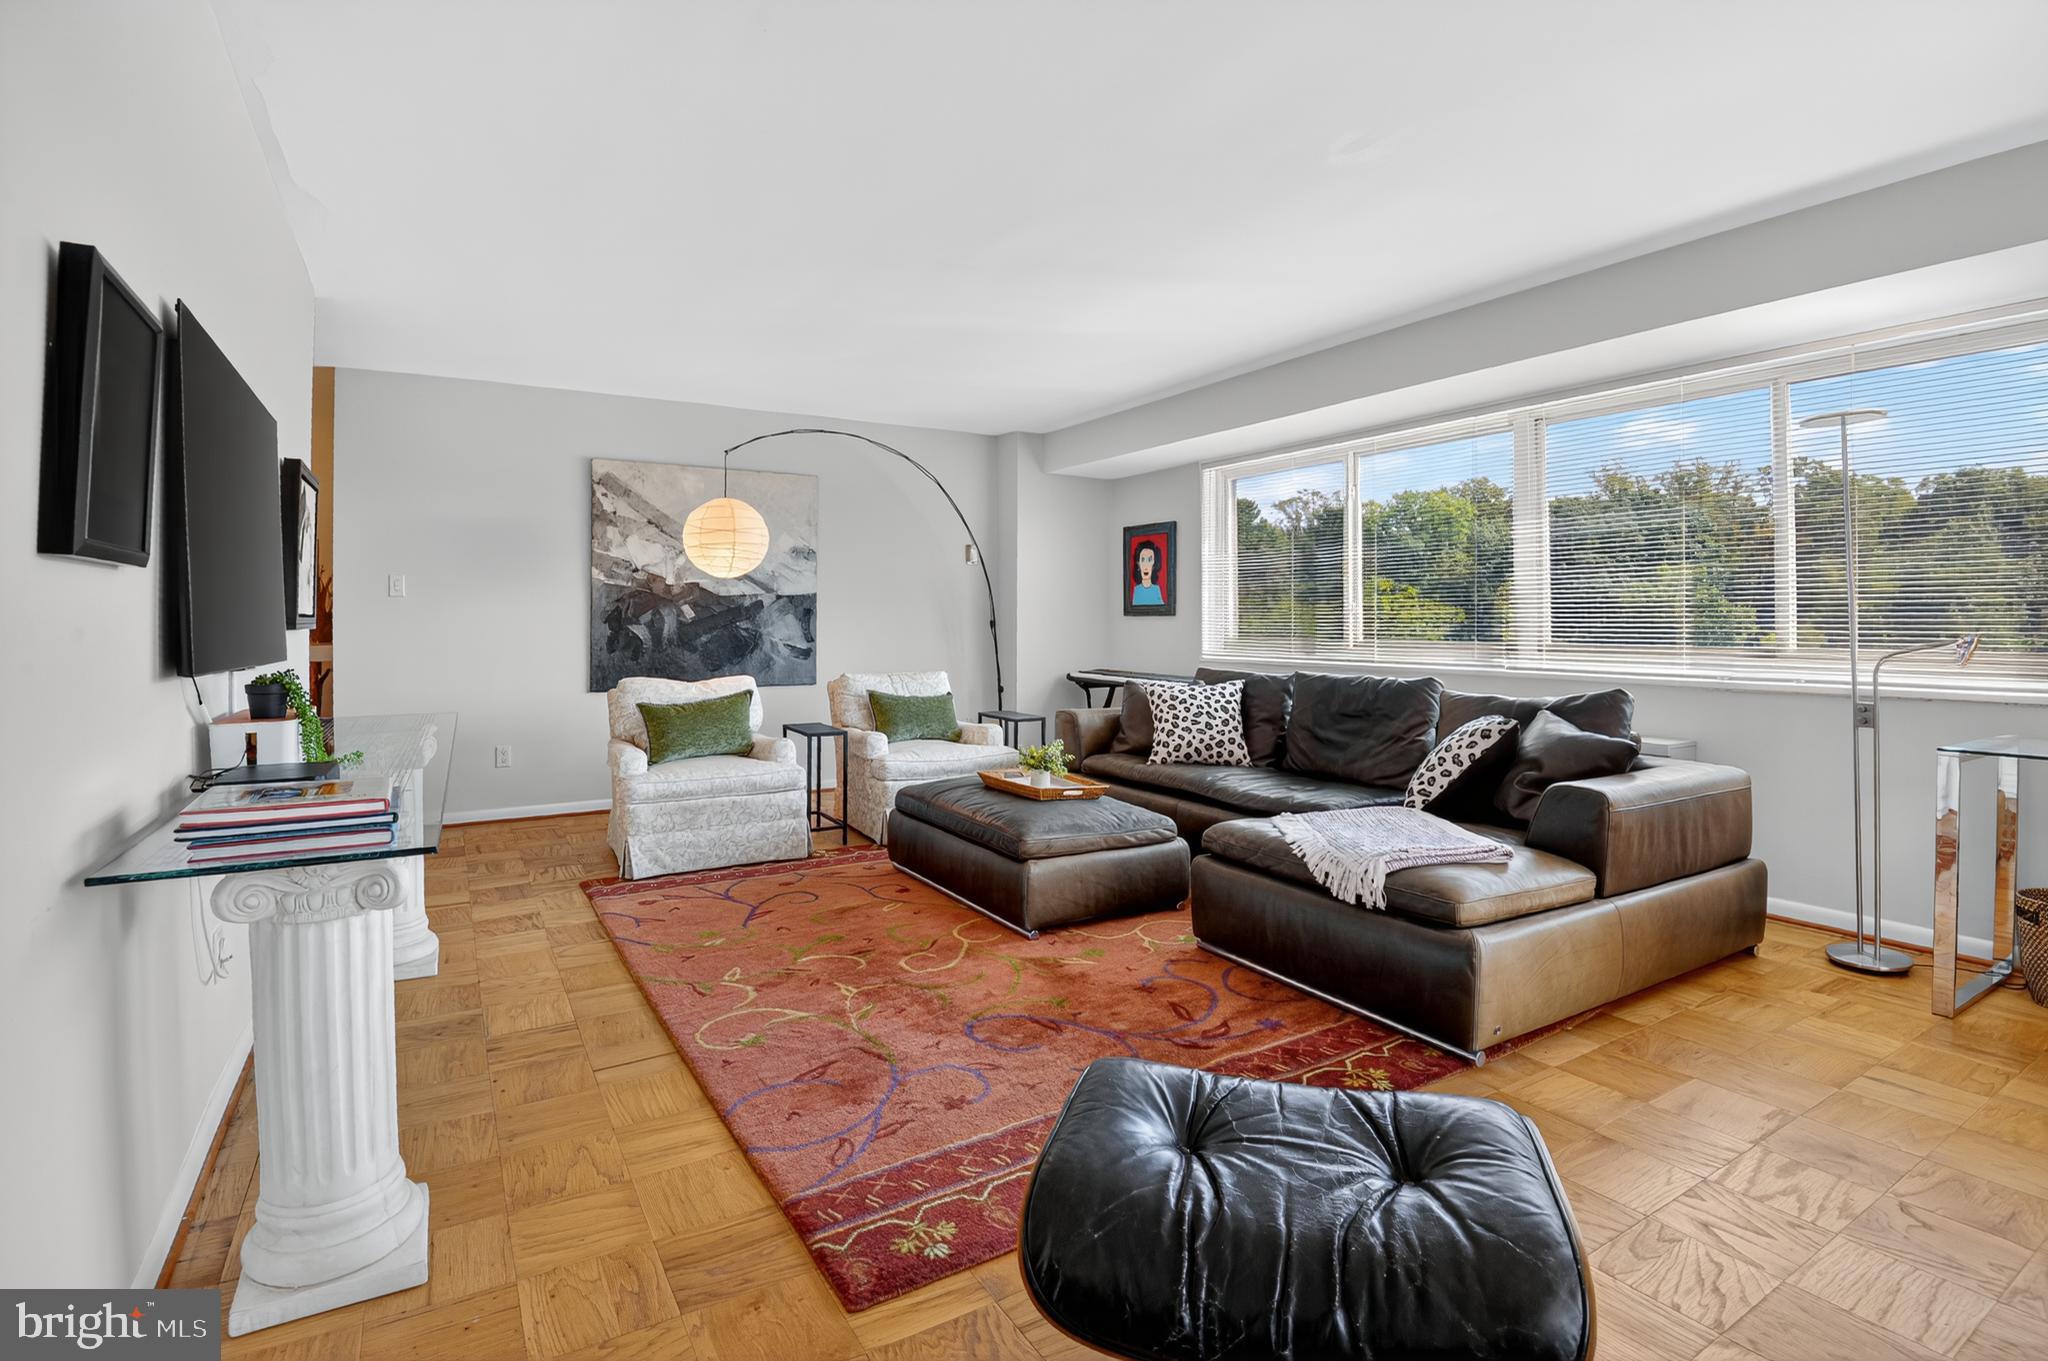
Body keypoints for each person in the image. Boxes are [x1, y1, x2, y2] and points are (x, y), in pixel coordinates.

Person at [1130, 538, 1165, 607]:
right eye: (1143, 560)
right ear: (1138, 564)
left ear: (1154, 564)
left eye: (1149, 560)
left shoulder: (1156, 590)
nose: (1146, 566)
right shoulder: (1136, 591)